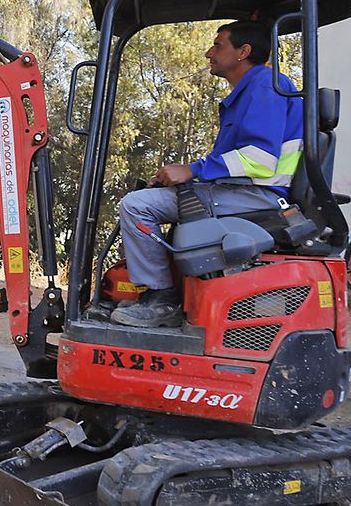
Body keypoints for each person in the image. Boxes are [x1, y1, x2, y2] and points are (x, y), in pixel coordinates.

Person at [112, 21, 303, 328]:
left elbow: (261, 159)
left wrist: (193, 170)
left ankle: (162, 300)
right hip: (244, 191)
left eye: (217, 45)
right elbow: (235, 162)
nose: (208, 53)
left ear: (243, 51)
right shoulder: (253, 90)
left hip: (258, 195)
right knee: (151, 197)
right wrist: (187, 177)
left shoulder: (265, 87)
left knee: (137, 206)